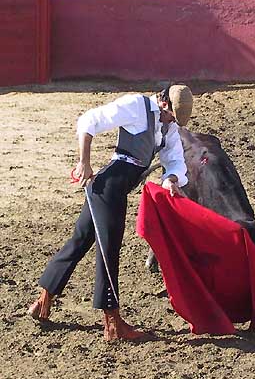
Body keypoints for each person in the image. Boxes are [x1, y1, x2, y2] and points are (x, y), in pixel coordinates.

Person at [28, 84, 194, 342]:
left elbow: (174, 160)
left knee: (80, 241)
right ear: (164, 103)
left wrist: (171, 179)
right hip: (108, 189)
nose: (171, 122)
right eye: (171, 116)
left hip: (110, 190)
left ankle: (42, 301)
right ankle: (113, 324)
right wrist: (84, 162)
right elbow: (89, 120)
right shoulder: (136, 106)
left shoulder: (168, 127)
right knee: (109, 250)